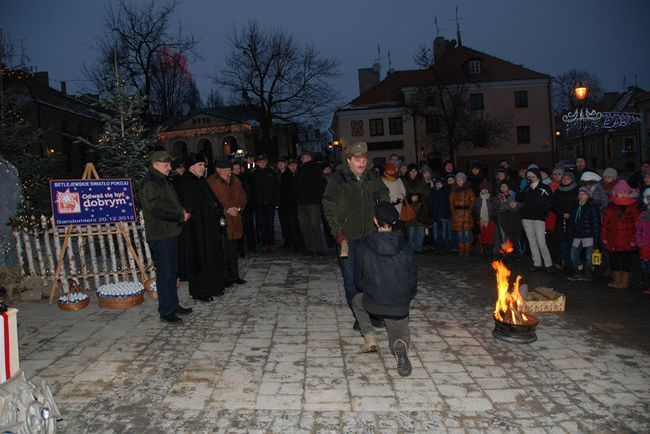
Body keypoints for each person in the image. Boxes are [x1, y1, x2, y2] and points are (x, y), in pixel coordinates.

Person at [322, 141, 389, 320]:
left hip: (370, 235)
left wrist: (382, 213)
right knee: (351, 281)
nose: (362, 163)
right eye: (358, 160)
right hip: (348, 238)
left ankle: (374, 313)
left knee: (372, 278)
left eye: (364, 159)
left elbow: (384, 194)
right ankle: (361, 318)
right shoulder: (337, 179)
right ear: (349, 160)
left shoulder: (372, 176)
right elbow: (328, 206)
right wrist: (338, 231)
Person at [351, 201, 416, 377]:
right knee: (399, 330)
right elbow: (412, 283)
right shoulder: (406, 248)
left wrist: (374, 291)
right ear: (394, 223)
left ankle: (370, 340)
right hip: (399, 304)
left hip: (373, 302)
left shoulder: (364, 247)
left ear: (375, 220)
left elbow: (359, 280)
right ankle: (399, 345)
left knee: (357, 301)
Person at [139, 151, 192, 323]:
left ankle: (173, 305)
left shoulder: (161, 179)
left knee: (172, 272)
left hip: (169, 232)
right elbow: (156, 209)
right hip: (161, 234)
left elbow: (170, 202)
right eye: (166, 164)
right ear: (155, 164)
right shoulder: (151, 182)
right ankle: (166, 311)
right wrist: (179, 217)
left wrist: (180, 210)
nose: (170, 167)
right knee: (166, 274)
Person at [174, 154, 225, 302]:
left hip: (208, 226)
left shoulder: (200, 181)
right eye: (200, 165)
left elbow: (210, 200)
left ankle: (213, 287)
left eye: (204, 165)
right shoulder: (186, 181)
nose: (203, 168)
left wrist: (217, 208)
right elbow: (187, 204)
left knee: (210, 256)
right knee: (199, 258)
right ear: (191, 167)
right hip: (195, 229)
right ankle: (199, 291)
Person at [207, 158, 248, 287]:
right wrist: (227, 210)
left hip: (235, 220)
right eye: (224, 170)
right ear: (217, 170)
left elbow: (243, 197)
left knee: (233, 250)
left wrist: (238, 208)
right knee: (222, 251)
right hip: (221, 221)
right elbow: (211, 203)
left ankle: (235, 275)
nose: (227, 172)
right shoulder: (211, 182)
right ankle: (225, 278)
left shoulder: (236, 180)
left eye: (229, 170)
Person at [602, 181, 639, 289]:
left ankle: (624, 282)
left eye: (624, 193)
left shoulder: (632, 206)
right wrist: (604, 237)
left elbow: (636, 225)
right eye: (619, 192)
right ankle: (616, 280)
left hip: (627, 240)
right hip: (613, 239)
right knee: (614, 260)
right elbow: (605, 222)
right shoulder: (611, 206)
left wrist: (634, 240)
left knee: (626, 261)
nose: (622, 194)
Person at [518, 167, 555, 273]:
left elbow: (550, 202)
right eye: (529, 177)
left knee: (541, 242)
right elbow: (519, 198)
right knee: (532, 242)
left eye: (533, 176)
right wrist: (523, 188)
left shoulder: (544, 188)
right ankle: (537, 263)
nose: (531, 178)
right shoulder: (527, 188)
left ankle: (548, 264)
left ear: (538, 176)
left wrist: (544, 211)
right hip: (527, 218)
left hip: (539, 218)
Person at [294, 152, 327, 256]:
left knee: (315, 225)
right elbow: (295, 184)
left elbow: (317, 183)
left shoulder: (316, 167)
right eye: (303, 157)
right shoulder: (300, 169)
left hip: (313, 201)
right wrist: (298, 195)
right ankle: (309, 248)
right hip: (301, 202)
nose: (304, 159)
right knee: (304, 226)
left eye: (306, 157)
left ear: (310, 158)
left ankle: (319, 248)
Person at [567, 187, 600, 282]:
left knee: (589, 256)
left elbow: (596, 223)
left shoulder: (592, 207)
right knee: (573, 254)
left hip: (588, 235)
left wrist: (596, 238)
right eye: (580, 194)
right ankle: (579, 269)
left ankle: (588, 273)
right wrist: (571, 234)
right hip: (577, 234)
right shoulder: (576, 206)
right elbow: (572, 222)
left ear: (588, 195)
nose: (581, 196)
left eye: (584, 194)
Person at [551, 172, 578, 271]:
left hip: (573, 220)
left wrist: (570, 213)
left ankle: (572, 264)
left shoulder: (576, 190)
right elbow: (554, 204)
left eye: (568, 178)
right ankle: (562, 262)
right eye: (564, 178)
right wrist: (562, 213)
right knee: (560, 241)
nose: (565, 180)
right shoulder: (558, 191)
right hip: (560, 219)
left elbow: (577, 204)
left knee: (571, 242)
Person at [251, 154, 279, 251]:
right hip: (259, 203)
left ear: (266, 162)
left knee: (270, 223)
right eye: (260, 162)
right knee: (262, 224)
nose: (261, 163)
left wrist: (276, 201)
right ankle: (264, 243)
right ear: (257, 163)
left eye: (263, 161)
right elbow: (252, 189)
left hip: (270, 202)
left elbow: (276, 188)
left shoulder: (272, 172)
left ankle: (271, 242)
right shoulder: (254, 174)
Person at [401, 163, 430, 253]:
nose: (413, 172)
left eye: (415, 170)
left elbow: (427, 192)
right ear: (408, 172)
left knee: (421, 230)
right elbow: (402, 193)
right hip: (409, 209)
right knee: (411, 230)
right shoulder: (404, 181)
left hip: (420, 209)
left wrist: (419, 196)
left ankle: (419, 248)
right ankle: (411, 249)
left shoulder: (422, 180)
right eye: (411, 171)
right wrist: (409, 198)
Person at [280, 159, 304, 252]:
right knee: (293, 225)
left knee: (300, 225)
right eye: (291, 166)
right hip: (290, 205)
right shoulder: (285, 176)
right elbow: (283, 191)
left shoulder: (300, 174)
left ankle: (302, 243)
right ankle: (296, 244)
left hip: (300, 204)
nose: (293, 167)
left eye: (294, 165)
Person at [449, 172, 475, 256]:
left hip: (467, 214)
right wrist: (453, 213)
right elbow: (451, 202)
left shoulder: (469, 190)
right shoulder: (453, 190)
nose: (459, 181)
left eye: (461, 180)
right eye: (457, 180)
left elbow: (473, 201)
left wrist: (469, 211)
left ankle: (467, 251)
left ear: (464, 180)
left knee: (467, 233)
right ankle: (461, 251)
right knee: (460, 234)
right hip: (457, 215)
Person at [495, 181, 522, 255]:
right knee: (503, 237)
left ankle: (517, 254)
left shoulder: (514, 195)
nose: (503, 188)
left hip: (513, 218)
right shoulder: (498, 196)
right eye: (502, 186)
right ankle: (505, 254)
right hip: (502, 218)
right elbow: (497, 207)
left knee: (514, 237)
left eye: (505, 186)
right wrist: (507, 206)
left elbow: (519, 205)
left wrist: (515, 205)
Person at [428, 177, 451, 254]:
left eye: (439, 183)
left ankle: (444, 249)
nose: (438, 185)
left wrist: (440, 191)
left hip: (443, 216)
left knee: (444, 234)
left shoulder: (446, 191)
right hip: (435, 216)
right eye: (436, 183)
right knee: (435, 235)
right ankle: (437, 248)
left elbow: (446, 203)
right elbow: (430, 203)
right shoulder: (432, 192)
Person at [472, 181, 496, 255]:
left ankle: (490, 250)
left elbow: (495, 209)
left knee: (490, 235)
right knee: (483, 234)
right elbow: (475, 209)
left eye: (486, 189)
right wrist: (477, 218)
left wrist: (493, 216)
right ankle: (484, 250)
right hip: (481, 220)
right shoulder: (478, 199)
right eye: (483, 189)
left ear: (489, 190)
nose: (484, 190)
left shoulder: (492, 199)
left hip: (490, 219)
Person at [635, 188, 650, 295]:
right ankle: (647, 285)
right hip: (644, 246)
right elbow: (638, 230)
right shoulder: (643, 215)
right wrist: (639, 242)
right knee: (645, 268)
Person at [276, 157, 291, 248]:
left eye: (282, 163)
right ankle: (286, 240)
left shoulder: (288, 174)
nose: (280, 165)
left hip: (288, 202)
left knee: (290, 222)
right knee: (283, 223)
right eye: (279, 164)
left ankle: (292, 240)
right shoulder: (277, 175)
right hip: (281, 203)